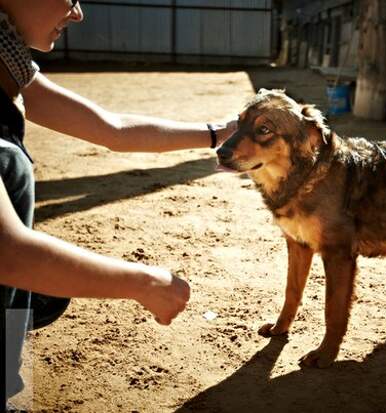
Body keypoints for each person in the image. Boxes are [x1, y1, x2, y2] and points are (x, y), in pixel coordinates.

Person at [0, 0, 236, 407]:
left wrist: (219, 133)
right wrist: (145, 283)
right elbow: (10, 253)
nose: (78, 14)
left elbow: (114, 129)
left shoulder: (11, 67)